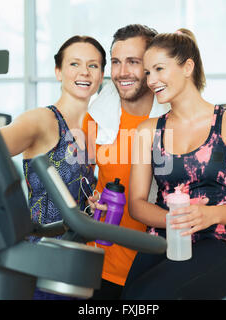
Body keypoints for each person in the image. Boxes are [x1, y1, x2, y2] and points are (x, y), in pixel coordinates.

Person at [0, 35, 106, 299]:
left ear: (102, 74)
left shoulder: (99, 128)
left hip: (78, 263)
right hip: (40, 264)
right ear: (58, 72)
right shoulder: (43, 120)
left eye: (93, 65)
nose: (84, 72)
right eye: (74, 64)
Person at [121, 28, 226, 300]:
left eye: (159, 69)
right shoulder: (148, 131)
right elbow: (136, 204)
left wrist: (209, 216)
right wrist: (174, 221)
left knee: (151, 295)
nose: (151, 80)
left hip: (216, 243)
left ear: (188, 67)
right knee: (132, 299)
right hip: (161, 241)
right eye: (148, 72)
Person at [83, 24, 170, 299]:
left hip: (158, 262)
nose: (122, 72)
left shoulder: (174, 122)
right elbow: (84, 182)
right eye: (116, 62)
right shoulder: (95, 120)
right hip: (103, 263)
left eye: (133, 62)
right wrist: (88, 199)